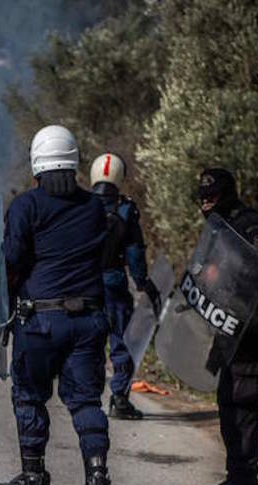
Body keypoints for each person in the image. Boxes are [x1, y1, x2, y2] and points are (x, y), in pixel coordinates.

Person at [0, 125, 112, 485]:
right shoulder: (96, 207)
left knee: (29, 396)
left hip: (40, 321)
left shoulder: (26, 207)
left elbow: (11, 262)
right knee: (86, 401)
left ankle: (33, 478)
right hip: (88, 320)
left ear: (36, 164)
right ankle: (96, 478)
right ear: (76, 162)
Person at [195, 168, 258, 485]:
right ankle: (238, 478)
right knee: (230, 401)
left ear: (227, 194)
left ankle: (244, 484)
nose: (205, 202)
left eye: (212, 196)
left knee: (242, 402)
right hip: (237, 326)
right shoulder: (223, 225)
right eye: (202, 197)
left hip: (257, 327)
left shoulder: (250, 224)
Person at [90, 153, 160, 419]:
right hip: (115, 286)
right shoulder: (126, 210)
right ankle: (119, 398)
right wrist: (142, 283)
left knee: (88, 343)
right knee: (122, 343)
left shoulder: (81, 205)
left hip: (85, 286)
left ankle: (87, 396)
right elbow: (134, 253)